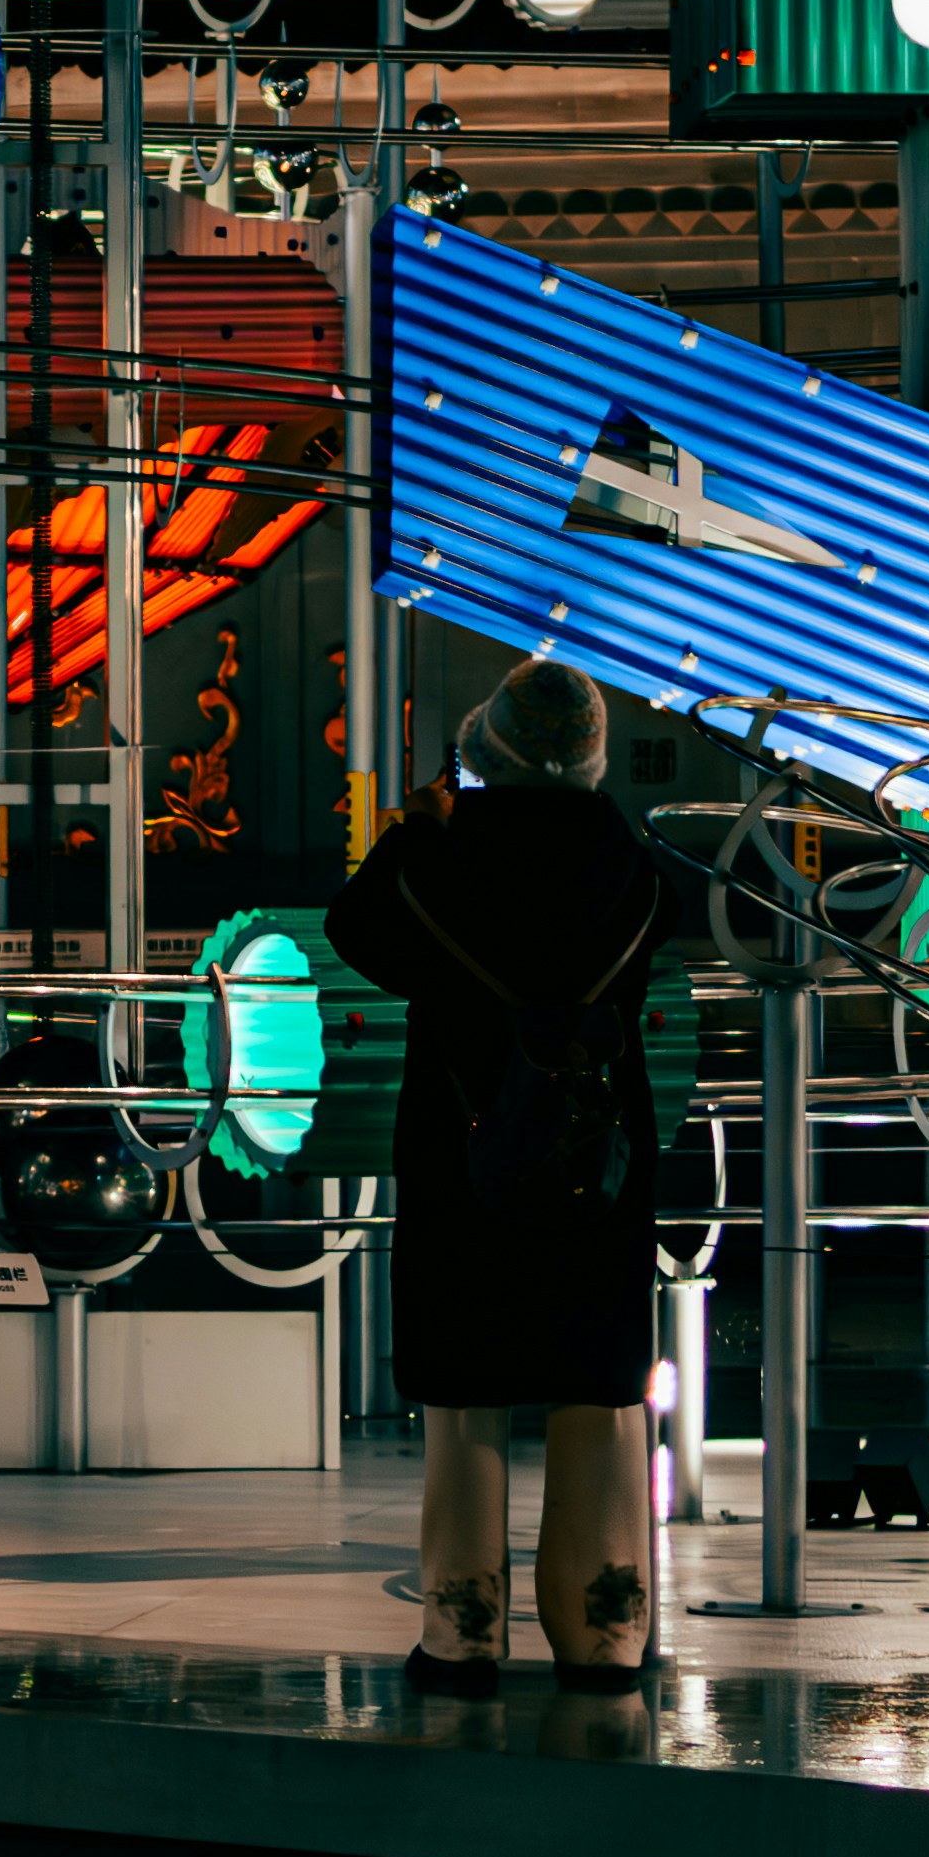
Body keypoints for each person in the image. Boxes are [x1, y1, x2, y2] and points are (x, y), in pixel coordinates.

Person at [328, 656, 670, 1692]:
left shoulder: (443, 859)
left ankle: (462, 1633)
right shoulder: (633, 859)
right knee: (600, 1403)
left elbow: (356, 928)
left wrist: (421, 825)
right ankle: (604, 1635)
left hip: (462, 1157)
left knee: (464, 1400)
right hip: (596, 1161)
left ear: (484, 749)